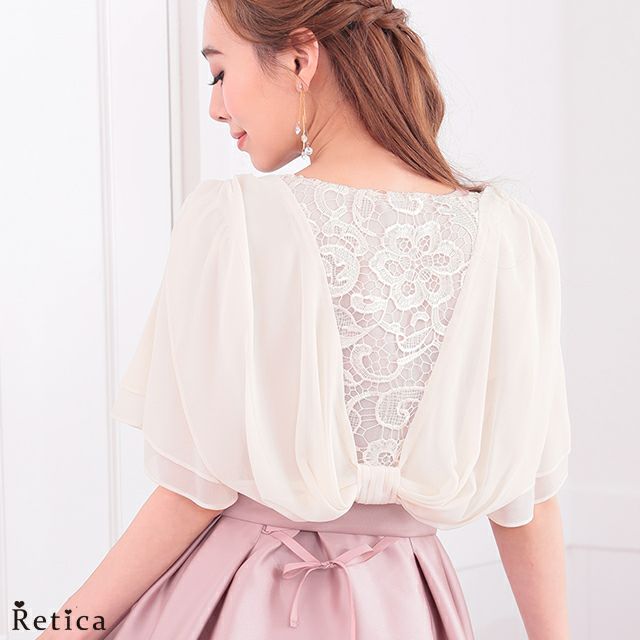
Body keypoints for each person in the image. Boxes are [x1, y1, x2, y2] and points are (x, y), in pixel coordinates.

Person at [39, 1, 572, 638]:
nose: (215, 108)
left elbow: (190, 492)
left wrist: (65, 628)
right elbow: (528, 500)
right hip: (407, 605)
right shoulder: (513, 237)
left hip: (238, 596)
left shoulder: (235, 223)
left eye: (219, 73)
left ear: (299, 58)